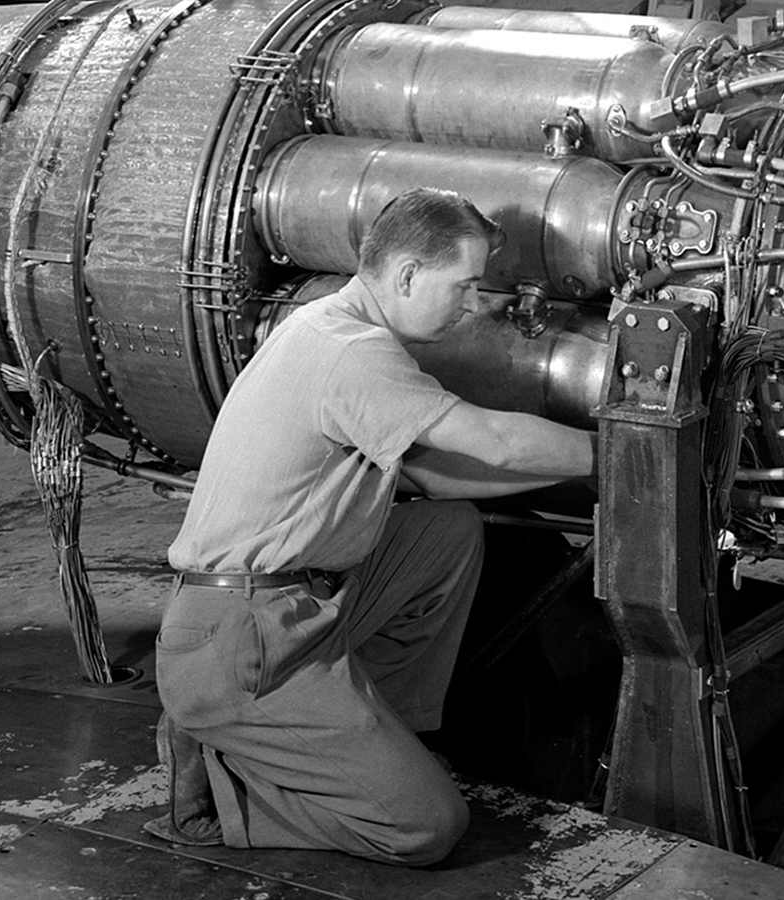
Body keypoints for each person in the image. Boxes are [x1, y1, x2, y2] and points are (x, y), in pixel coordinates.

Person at [145, 188, 594, 865]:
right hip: (240, 641)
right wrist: (625, 450)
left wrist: (596, 476)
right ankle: (223, 776)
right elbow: (497, 441)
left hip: (277, 608)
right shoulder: (353, 353)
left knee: (445, 533)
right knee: (426, 828)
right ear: (409, 274)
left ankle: (375, 735)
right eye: (465, 284)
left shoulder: (326, 323)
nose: (474, 303)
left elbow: (443, 479)